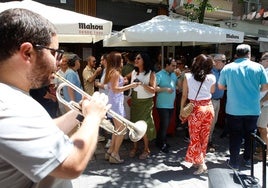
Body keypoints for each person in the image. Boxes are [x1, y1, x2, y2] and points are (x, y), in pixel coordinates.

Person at [0, 8, 109, 187]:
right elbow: (71, 164)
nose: (57, 62)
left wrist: (80, 112)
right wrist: (93, 118)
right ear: (27, 53)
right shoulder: (7, 104)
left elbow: (43, 131)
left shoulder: (12, 97)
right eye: (54, 53)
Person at [218, 44, 268, 170]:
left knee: (235, 136)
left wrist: (231, 87)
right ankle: (246, 159)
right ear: (249, 54)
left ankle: (234, 162)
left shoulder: (228, 68)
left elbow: (220, 87)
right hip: (252, 109)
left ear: (236, 54)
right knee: (250, 135)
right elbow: (265, 87)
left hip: (234, 109)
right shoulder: (259, 67)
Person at [179, 54, 216, 175]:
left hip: (196, 109)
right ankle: (198, 160)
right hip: (209, 108)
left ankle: (201, 164)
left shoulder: (188, 76)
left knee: (194, 138)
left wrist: (181, 110)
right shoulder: (212, 77)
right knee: (203, 137)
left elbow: (184, 95)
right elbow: (212, 91)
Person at [103, 51, 140, 164]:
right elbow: (115, 89)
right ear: (117, 61)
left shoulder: (112, 72)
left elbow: (113, 87)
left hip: (114, 102)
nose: (123, 62)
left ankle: (111, 151)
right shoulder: (114, 73)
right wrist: (130, 85)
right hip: (116, 102)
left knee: (118, 129)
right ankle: (114, 154)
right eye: (121, 60)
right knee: (121, 130)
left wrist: (123, 82)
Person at [128, 52, 156, 160]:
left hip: (145, 102)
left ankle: (146, 149)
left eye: (138, 58)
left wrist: (142, 84)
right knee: (133, 124)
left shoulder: (151, 73)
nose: (136, 60)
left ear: (144, 60)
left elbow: (153, 90)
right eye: (135, 58)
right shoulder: (133, 72)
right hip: (135, 101)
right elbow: (127, 82)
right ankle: (135, 147)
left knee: (144, 125)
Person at [155, 58, 178, 153]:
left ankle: (161, 141)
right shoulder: (159, 74)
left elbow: (178, 85)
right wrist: (165, 89)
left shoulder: (173, 74)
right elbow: (154, 88)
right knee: (164, 124)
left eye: (175, 66)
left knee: (166, 124)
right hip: (162, 104)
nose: (174, 67)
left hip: (170, 104)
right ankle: (161, 143)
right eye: (173, 65)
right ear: (167, 65)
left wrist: (180, 77)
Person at [207, 54, 226, 152]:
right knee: (209, 123)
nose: (225, 63)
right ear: (217, 62)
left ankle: (209, 141)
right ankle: (207, 142)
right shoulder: (210, 72)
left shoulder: (221, 72)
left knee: (213, 123)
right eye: (223, 61)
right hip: (210, 100)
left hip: (218, 100)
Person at [256, 52, 268, 160]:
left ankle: (265, 154)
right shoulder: (265, 71)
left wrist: (262, 102)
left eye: (262, 59)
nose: (260, 61)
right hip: (263, 104)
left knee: (263, 128)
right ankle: (262, 148)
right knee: (261, 128)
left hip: (265, 105)